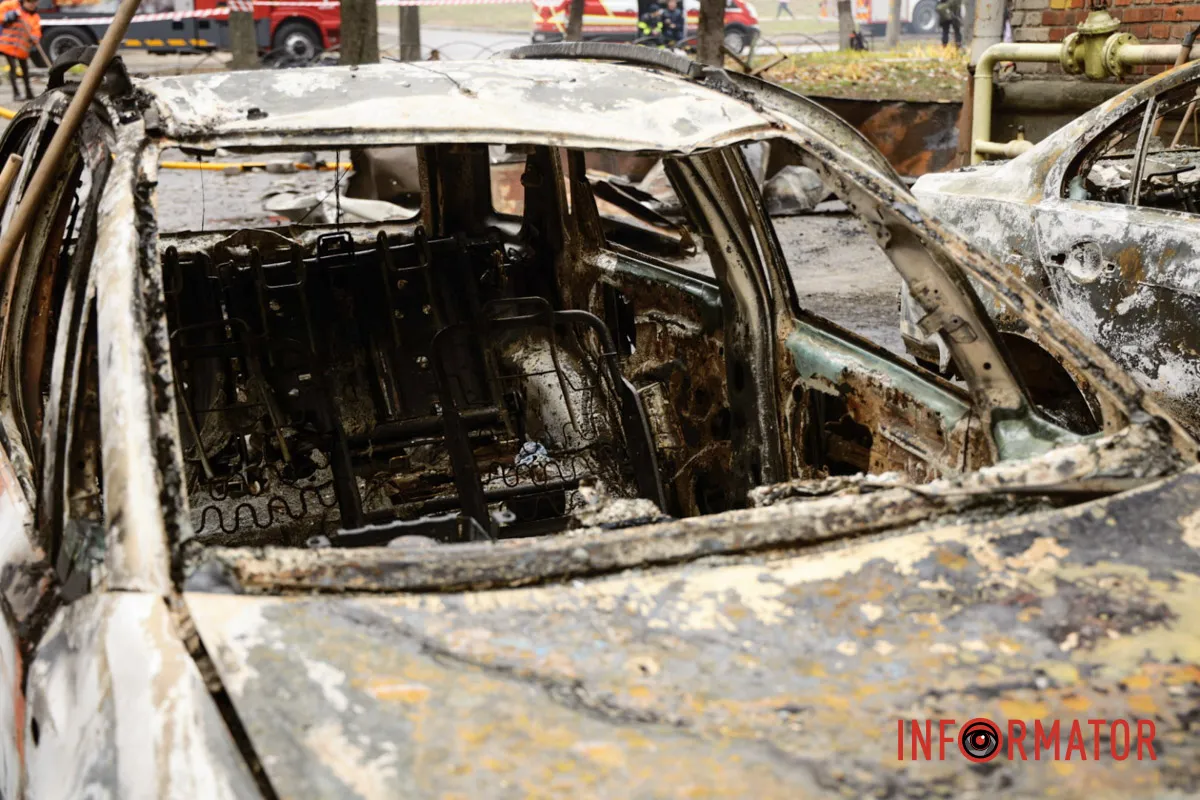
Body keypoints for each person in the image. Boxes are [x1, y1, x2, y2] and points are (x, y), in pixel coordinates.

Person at [0, 0, 40, 101]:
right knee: (13, 68)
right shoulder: (12, 6)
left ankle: (29, 93)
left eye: (34, 2)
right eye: (29, 2)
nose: (32, 5)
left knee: (25, 70)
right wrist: (6, 17)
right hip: (8, 46)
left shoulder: (34, 17)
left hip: (22, 50)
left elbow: (36, 31)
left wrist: (34, 38)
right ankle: (16, 94)